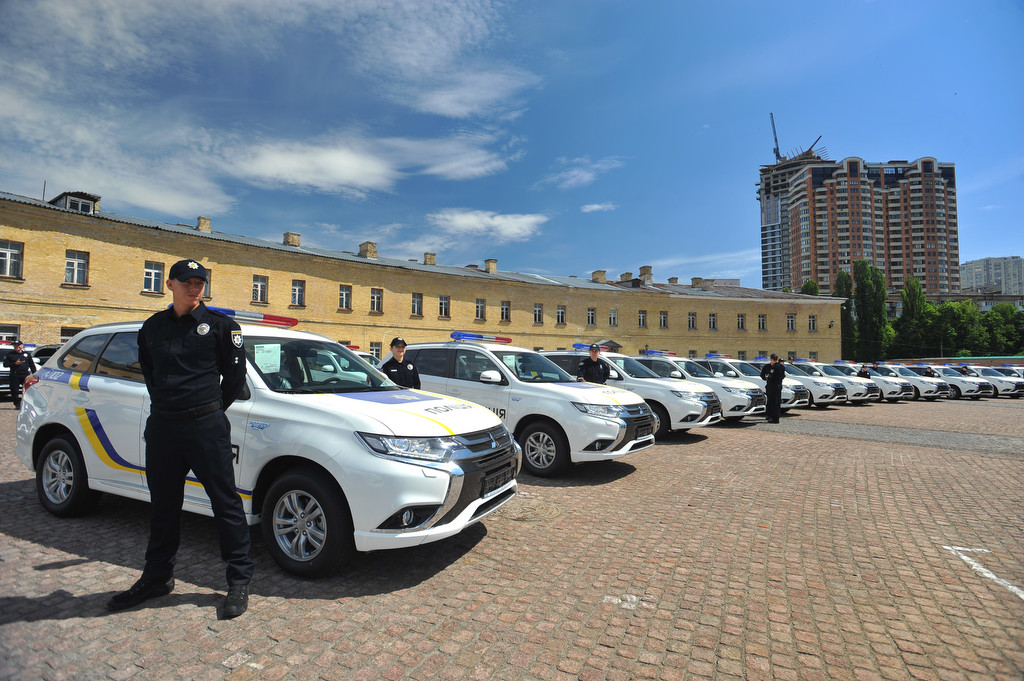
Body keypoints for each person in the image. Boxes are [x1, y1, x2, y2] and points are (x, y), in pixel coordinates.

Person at [108, 259, 253, 618]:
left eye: (199, 282)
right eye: (186, 282)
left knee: (225, 503)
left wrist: (208, 410)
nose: (194, 287)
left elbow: (235, 381)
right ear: (169, 284)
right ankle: (158, 577)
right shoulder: (152, 327)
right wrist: (169, 408)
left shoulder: (221, 327)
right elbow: (151, 373)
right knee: (163, 504)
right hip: (164, 428)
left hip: (205, 427)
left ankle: (238, 581)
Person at [3, 340, 37, 409]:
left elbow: (32, 365)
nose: (17, 347)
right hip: (15, 375)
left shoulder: (27, 354)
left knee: (28, 390)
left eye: (18, 345)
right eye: (15, 345)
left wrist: (35, 374)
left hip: (25, 374)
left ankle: (28, 404)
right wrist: (15, 363)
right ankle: (17, 404)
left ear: (21, 346)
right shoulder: (10, 354)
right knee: (14, 390)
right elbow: (5, 364)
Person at [760, 353, 786, 423]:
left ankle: (775, 418)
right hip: (774, 385)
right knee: (772, 401)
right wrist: (766, 377)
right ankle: (770, 415)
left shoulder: (777, 367)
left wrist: (769, 377)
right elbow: (762, 375)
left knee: (774, 402)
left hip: (774, 385)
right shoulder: (768, 366)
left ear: (772, 359)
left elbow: (774, 376)